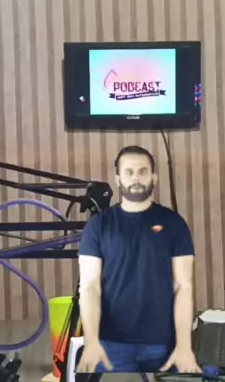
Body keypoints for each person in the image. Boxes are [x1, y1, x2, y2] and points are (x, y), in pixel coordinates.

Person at [75, 146, 201, 374]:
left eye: (143, 171)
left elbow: (183, 286)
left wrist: (184, 346)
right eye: (129, 172)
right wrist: (91, 342)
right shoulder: (98, 225)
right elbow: (89, 287)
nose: (136, 178)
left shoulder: (174, 223)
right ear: (117, 179)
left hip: (163, 342)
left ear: (154, 177)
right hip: (110, 343)